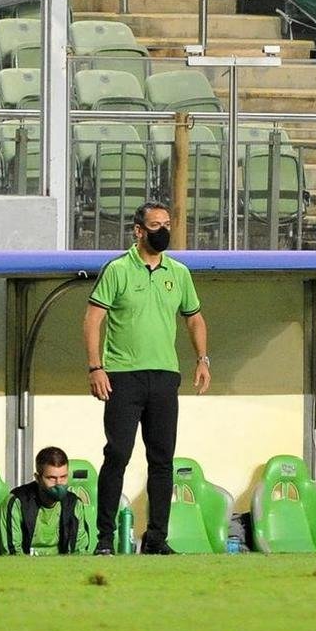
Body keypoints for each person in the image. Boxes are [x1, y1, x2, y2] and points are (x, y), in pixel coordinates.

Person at [84, 201, 210, 555]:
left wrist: (202, 359)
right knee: (118, 455)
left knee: (162, 460)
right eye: (156, 225)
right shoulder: (118, 269)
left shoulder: (179, 272)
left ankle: (156, 537)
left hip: (165, 376)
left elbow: (194, 318)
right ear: (139, 230)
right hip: (122, 376)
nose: (163, 231)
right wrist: (96, 367)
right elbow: (93, 319)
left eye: (167, 224)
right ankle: (105, 539)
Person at [0, 447, 90, 555]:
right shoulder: (16, 503)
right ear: (37, 478)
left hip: (62, 568)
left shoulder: (74, 504)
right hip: (25, 568)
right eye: (52, 478)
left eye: (63, 477)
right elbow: (12, 554)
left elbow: (80, 551)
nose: (59, 483)